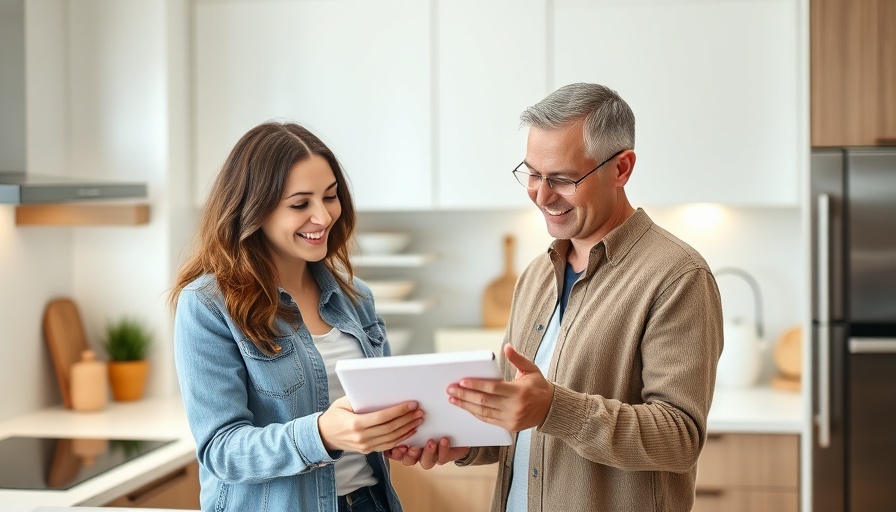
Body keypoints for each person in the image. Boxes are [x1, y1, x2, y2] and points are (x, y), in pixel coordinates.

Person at [387, 83, 724, 512]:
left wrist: (555, 408)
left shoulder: (677, 277)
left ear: (621, 169)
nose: (541, 195)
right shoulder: (536, 276)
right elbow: (520, 416)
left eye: (562, 179)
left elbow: (679, 438)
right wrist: (463, 444)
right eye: (532, 173)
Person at [169, 121, 422, 512]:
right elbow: (222, 450)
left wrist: (409, 435)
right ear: (254, 210)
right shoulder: (207, 305)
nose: (322, 217)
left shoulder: (355, 297)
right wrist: (321, 434)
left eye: (331, 196)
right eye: (300, 204)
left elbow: (379, 408)